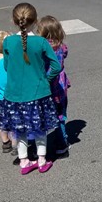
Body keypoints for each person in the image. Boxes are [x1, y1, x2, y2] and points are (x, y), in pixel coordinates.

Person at [0, 3, 61, 175]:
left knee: (20, 129)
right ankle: (42, 159)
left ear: (14, 20)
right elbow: (55, 66)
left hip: (14, 94)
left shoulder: (8, 42)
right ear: (36, 20)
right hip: (38, 92)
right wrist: (45, 79)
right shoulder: (40, 42)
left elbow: (6, 66)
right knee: (40, 127)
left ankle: (24, 160)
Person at [36, 16, 70, 155]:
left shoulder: (41, 49)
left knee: (41, 115)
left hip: (45, 86)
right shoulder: (62, 47)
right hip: (60, 86)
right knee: (60, 115)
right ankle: (61, 144)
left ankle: (38, 147)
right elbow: (65, 55)